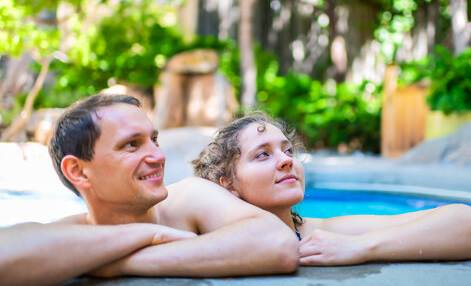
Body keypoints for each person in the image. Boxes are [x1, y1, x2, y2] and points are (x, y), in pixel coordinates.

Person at [0, 95, 298, 286]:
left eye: (154, 140)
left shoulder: (190, 197)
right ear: (78, 171)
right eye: (132, 144)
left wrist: (119, 264)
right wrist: (146, 235)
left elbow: (278, 244)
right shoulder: (75, 230)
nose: (158, 156)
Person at [193, 112, 471, 266]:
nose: (286, 161)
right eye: (263, 154)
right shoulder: (203, 242)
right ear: (227, 184)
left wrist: (361, 247)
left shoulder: (322, 232)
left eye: (288, 151)